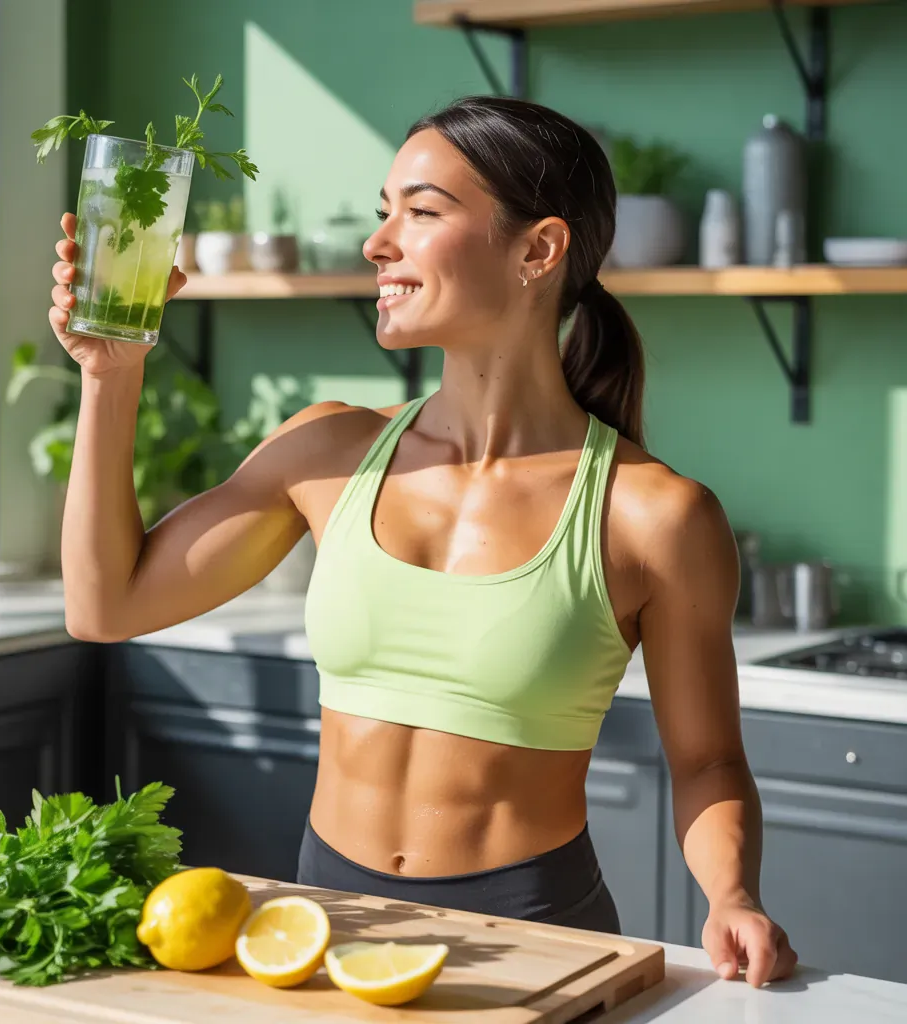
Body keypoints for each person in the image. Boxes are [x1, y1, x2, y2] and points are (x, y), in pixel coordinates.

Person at [49, 95, 797, 987]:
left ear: (538, 250)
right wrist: (111, 374)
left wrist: (732, 895)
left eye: (422, 211)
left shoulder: (654, 516)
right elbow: (105, 606)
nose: (379, 243)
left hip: (534, 934)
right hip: (323, 920)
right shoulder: (327, 452)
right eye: (383, 211)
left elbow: (708, 760)